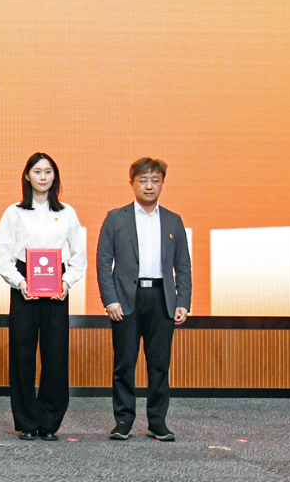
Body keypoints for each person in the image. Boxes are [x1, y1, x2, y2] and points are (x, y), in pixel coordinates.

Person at [97, 157, 192, 442]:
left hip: (162, 298)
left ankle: (157, 421)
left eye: (155, 180)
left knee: (159, 364)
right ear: (132, 183)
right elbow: (104, 262)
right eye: (143, 180)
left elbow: (183, 265)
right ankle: (123, 420)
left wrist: (183, 301)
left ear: (163, 184)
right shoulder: (116, 218)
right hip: (127, 298)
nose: (149, 186)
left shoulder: (173, 220)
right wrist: (110, 299)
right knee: (124, 363)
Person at [0, 152, 86, 440]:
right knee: (22, 354)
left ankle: (49, 422)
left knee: (55, 354)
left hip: (57, 286)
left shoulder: (67, 212)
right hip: (24, 285)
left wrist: (67, 281)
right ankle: (26, 421)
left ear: (54, 176)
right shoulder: (14, 212)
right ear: (27, 176)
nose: (43, 177)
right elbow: (3, 256)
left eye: (48, 171)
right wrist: (20, 282)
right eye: (37, 171)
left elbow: (78, 255)